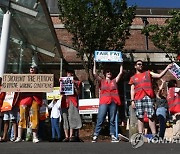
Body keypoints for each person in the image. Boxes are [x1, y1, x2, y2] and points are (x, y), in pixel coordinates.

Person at [129, 60, 172, 136]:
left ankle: (154, 135)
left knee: (151, 116)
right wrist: (132, 100)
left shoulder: (148, 73)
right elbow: (132, 90)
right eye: (139, 64)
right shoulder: (133, 78)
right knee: (140, 116)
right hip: (138, 98)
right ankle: (140, 135)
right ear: (135, 66)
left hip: (148, 96)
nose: (141, 65)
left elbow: (159, 76)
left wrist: (167, 68)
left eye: (142, 64)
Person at [92, 60, 123, 143]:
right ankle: (95, 135)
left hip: (113, 102)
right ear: (105, 73)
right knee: (101, 118)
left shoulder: (114, 81)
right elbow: (94, 73)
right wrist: (94, 62)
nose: (109, 73)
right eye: (107, 72)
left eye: (110, 72)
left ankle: (112, 135)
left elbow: (120, 73)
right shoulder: (102, 81)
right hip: (104, 102)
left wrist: (121, 64)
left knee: (112, 119)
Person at [15, 65, 43, 143]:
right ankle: (19, 136)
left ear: (36, 70)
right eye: (30, 68)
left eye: (33, 68)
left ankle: (35, 137)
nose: (32, 69)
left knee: (35, 118)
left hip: (35, 99)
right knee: (22, 117)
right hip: (25, 99)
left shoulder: (41, 79)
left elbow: (45, 86)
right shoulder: (24, 78)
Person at [60, 69, 82, 142]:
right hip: (64, 101)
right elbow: (61, 92)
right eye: (68, 73)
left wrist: (75, 86)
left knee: (72, 118)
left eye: (71, 73)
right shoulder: (63, 80)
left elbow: (79, 93)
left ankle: (71, 135)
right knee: (65, 118)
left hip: (72, 101)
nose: (69, 74)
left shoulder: (77, 82)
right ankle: (66, 136)